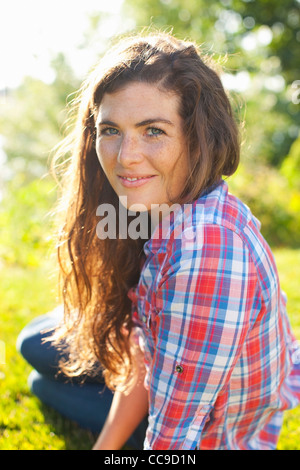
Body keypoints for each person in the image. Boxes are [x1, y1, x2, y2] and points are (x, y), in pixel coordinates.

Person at [18, 32, 300, 450]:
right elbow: (143, 344)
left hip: (212, 434)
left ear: (198, 134)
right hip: (173, 376)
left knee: (44, 376)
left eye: (153, 131)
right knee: (39, 344)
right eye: (111, 129)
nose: (125, 156)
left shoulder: (209, 254)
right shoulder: (170, 208)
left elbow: (174, 438)